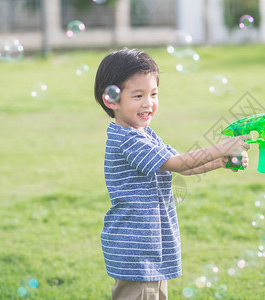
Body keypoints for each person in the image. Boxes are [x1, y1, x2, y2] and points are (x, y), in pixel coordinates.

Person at [94, 48, 250, 300]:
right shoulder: (127, 140)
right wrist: (221, 147)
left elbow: (184, 167)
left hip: (151, 246)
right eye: (137, 95)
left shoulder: (144, 134)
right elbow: (177, 163)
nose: (148, 103)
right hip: (137, 249)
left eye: (153, 94)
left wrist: (221, 161)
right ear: (111, 100)